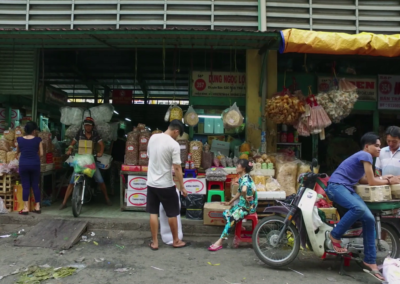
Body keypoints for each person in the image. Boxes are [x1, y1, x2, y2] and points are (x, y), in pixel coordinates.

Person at [325, 132, 396, 282]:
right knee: (358, 209)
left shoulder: (364, 157)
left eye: (380, 146)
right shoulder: (366, 156)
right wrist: (388, 181)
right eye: (376, 146)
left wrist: (382, 178)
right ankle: (335, 235)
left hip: (347, 188)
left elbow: (363, 179)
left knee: (369, 219)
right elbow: (371, 181)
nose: (379, 149)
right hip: (336, 186)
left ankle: (370, 260)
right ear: (367, 146)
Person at [146, 119, 188, 250]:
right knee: (172, 213)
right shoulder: (173, 144)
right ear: (176, 131)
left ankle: (155, 242)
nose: (177, 137)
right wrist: (182, 186)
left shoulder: (153, 137)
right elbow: (177, 168)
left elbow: (149, 156)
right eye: (178, 134)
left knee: (153, 213)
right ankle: (176, 240)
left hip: (151, 183)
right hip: (166, 185)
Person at [59, 117, 111, 210]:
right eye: (86, 125)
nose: (87, 127)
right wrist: (70, 149)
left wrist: (101, 152)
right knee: (72, 182)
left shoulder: (95, 134)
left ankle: (106, 198)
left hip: (91, 161)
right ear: (84, 126)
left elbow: (101, 144)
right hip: (80, 161)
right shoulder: (80, 133)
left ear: (92, 127)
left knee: (100, 180)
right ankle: (64, 202)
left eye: (89, 126)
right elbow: (72, 143)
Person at [208, 159, 258, 252]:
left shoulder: (246, 179)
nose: (236, 167)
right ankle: (239, 226)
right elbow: (239, 192)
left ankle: (219, 242)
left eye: (237, 165)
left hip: (248, 207)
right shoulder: (242, 177)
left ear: (243, 168)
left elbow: (243, 190)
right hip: (242, 205)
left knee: (230, 219)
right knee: (226, 213)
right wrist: (230, 202)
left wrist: (245, 195)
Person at [16, 122, 43, 215]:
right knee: (35, 185)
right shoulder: (38, 140)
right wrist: (35, 157)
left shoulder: (19, 139)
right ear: (34, 131)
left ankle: (26, 208)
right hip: (35, 164)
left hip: (23, 164)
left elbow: (18, 151)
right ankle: (37, 206)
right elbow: (42, 153)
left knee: (26, 186)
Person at [110, 129, 126, 195]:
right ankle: (123, 191)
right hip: (121, 162)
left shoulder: (114, 142)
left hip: (114, 161)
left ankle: (112, 191)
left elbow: (110, 151)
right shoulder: (125, 143)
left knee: (112, 176)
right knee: (121, 177)